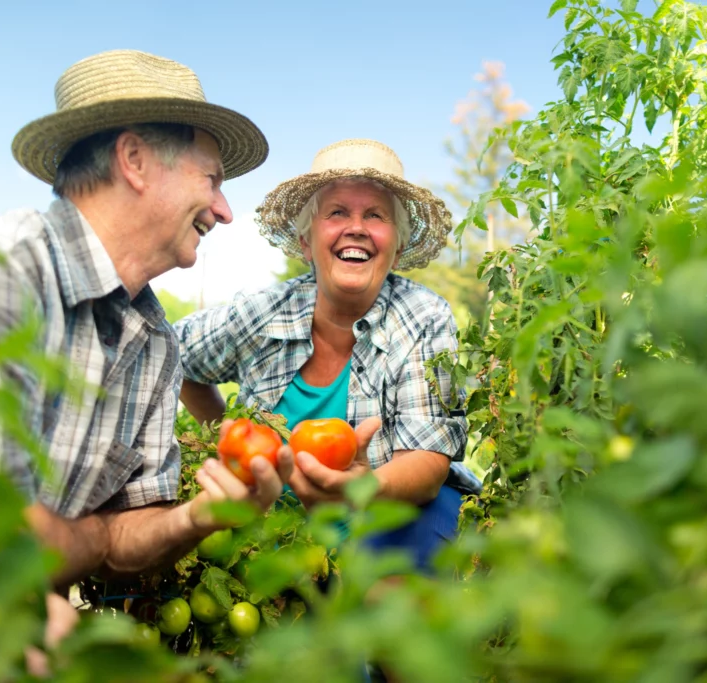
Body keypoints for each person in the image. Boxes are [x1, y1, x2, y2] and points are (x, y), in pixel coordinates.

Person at [0, 49, 290, 588]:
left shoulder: (156, 344)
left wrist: (197, 517)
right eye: (213, 179)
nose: (224, 210)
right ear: (134, 159)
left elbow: (127, 532)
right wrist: (92, 538)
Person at [176, 138, 481, 572]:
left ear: (396, 245)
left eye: (375, 215)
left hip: (385, 515)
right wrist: (225, 436)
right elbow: (174, 352)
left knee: (421, 530)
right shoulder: (264, 312)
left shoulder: (422, 316)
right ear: (306, 242)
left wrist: (363, 487)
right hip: (280, 535)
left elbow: (427, 462)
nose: (356, 227)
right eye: (337, 212)